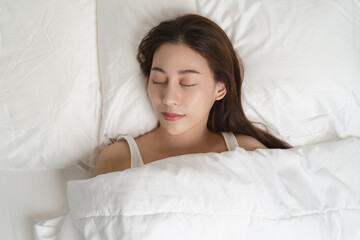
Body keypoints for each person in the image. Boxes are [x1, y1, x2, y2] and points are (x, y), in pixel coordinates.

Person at [91, 14, 291, 178]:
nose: (168, 98)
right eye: (158, 80)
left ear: (220, 89)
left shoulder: (248, 154)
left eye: (187, 83)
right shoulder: (118, 159)